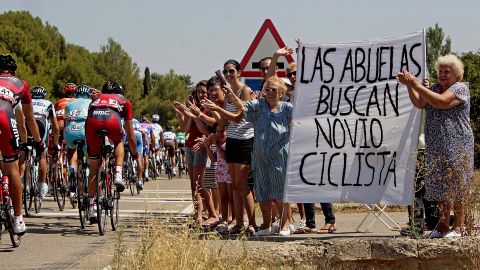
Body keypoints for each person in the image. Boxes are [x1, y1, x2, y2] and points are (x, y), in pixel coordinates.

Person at [397, 54, 474, 238]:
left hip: (457, 143)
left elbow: (441, 102)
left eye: (447, 71)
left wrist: (416, 85)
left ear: (456, 74)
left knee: (457, 186)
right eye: (440, 71)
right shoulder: (434, 88)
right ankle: (442, 226)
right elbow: (420, 103)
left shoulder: (460, 89)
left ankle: (458, 228)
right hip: (436, 143)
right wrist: (410, 86)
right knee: (441, 186)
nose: (443, 74)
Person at [204, 60, 257, 234]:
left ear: (239, 72)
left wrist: (216, 109)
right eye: (226, 72)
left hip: (244, 140)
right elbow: (224, 121)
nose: (228, 75)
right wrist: (209, 111)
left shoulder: (245, 91)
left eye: (231, 71)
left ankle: (252, 222)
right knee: (234, 185)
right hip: (232, 140)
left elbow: (238, 118)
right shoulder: (227, 93)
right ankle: (239, 223)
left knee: (243, 185)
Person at [0, 54, 43, 234]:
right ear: (14, 71)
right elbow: (28, 119)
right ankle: (18, 218)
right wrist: (38, 142)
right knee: (11, 168)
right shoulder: (21, 84)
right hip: (3, 113)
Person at [85, 80, 138, 222]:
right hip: (112, 121)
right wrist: (134, 153)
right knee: (119, 141)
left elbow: (87, 119)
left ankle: (92, 208)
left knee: (94, 167)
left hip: (92, 122)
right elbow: (131, 134)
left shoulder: (96, 98)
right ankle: (118, 174)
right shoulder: (123, 100)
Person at [63, 84, 93, 203]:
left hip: (70, 131)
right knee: (90, 156)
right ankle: (88, 171)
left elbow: (66, 122)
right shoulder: (91, 103)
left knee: (72, 149)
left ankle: (71, 170)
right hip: (84, 131)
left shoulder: (69, 104)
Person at [31, 86, 60, 199]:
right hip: (41, 122)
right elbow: (55, 127)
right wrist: (56, 144)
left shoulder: (27, 101)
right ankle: (41, 185)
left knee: (23, 152)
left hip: (27, 122)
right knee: (43, 155)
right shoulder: (48, 103)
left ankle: (22, 182)